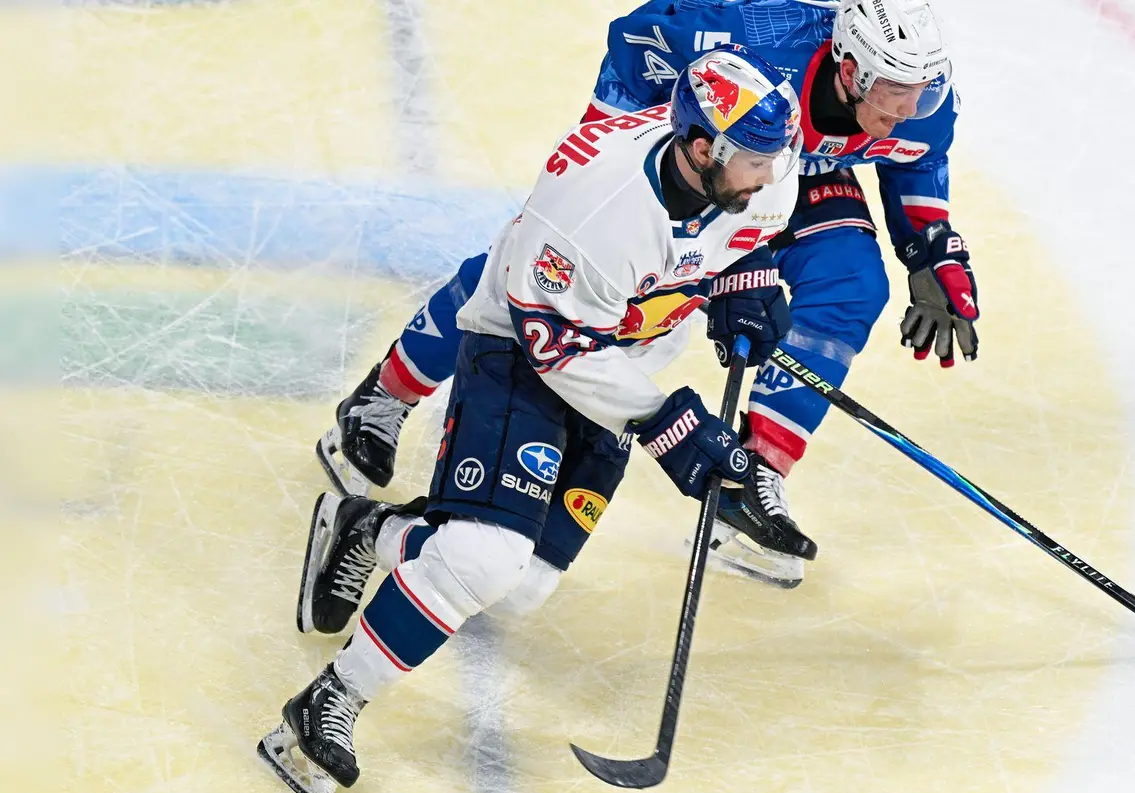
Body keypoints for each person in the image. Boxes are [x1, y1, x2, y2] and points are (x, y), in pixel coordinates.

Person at [260, 47, 803, 793]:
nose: (774, 174)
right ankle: (326, 704)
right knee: (484, 560)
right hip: (523, 346)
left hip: (621, 357)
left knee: (519, 589)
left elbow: (758, 232)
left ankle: (367, 529)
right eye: (755, 161)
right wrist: (668, 425)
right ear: (702, 147)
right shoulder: (590, 209)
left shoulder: (759, 162)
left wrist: (748, 284)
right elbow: (561, 350)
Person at [316, 0, 975, 588]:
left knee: (852, 284)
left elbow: (917, 155)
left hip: (785, 170)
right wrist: (614, 159)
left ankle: (751, 477)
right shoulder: (745, 37)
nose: (906, 107)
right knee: (541, 270)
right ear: (851, 67)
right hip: (700, 135)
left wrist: (931, 251)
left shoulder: (920, 97)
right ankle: (385, 396)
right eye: (892, 91)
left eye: (917, 91)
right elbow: (638, 37)